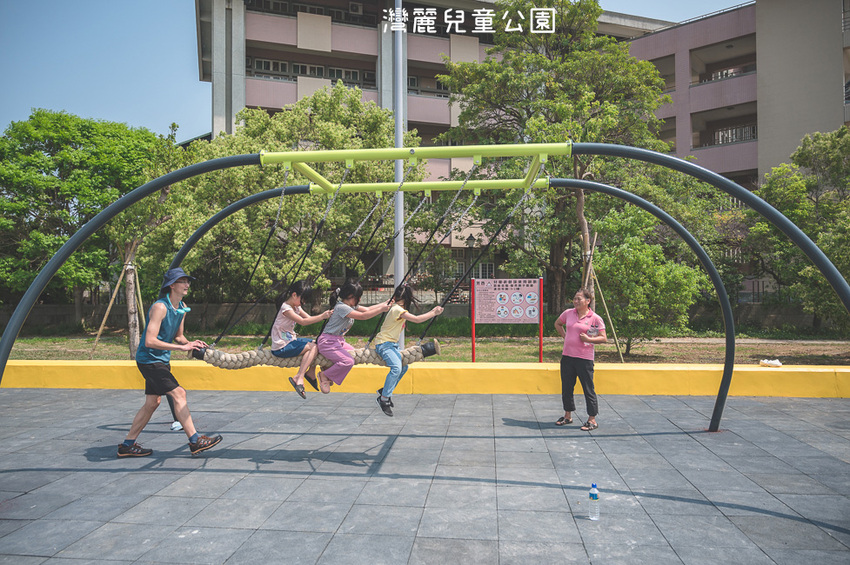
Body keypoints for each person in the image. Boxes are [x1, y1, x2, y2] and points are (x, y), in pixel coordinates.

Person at [118, 267, 223, 457]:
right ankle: (195, 440)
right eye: (183, 281)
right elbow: (150, 340)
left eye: (187, 281)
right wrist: (181, 348)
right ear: (172, 285)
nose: (187, 284)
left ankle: (127, 445)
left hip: (161, 360)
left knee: (152, 403)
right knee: (179, 393)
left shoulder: (181, 307)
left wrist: (190, 343)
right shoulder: (160, 307)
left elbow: (178, 336)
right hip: (149, 360)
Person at [373, 284, 443, 417]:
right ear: (407, 298)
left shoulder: (396, 309)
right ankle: (383, 399)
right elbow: (417, 320)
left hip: (391, 345)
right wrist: (434, 312)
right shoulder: (397, 309)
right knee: (396, 368)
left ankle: (385, 391)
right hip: (384, 344)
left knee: (403, 368)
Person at [316, 280, 391, 393]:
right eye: (358, 297)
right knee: (348, 361)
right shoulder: (342, 308)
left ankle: (328, 369)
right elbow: (364, 316)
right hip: (328, 342)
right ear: (351, 296)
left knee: (355, 356)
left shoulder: (349, 306)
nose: (359, 300)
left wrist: (386, 303)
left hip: (338, 341)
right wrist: (382, 309)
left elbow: (368, 309)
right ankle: (324, 375)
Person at [554, 287, 607, 431]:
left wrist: (589, 338)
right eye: (575, 298)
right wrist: (565, 337)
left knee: (588, 389)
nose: (576, 301)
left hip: (584, 359)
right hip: (567, 357)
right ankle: (567, 416)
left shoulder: (595, 318)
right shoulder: (568, 313)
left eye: (579, 299)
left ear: (588, 301)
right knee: (567, 388)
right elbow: (557, 324)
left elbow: (603, 338)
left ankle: (592, 419)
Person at [271, 280, 332, 398]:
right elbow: (303, 322)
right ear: (294, 295)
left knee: (317, 343)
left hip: (290, 342)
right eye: (302, 300)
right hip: (281, 346)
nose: (302, 304)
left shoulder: (296, 307)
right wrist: (322, 316)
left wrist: (327, 315)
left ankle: (310, 372)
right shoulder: (286, 308)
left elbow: (309, 318)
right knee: (313, 347)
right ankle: (299, 376)